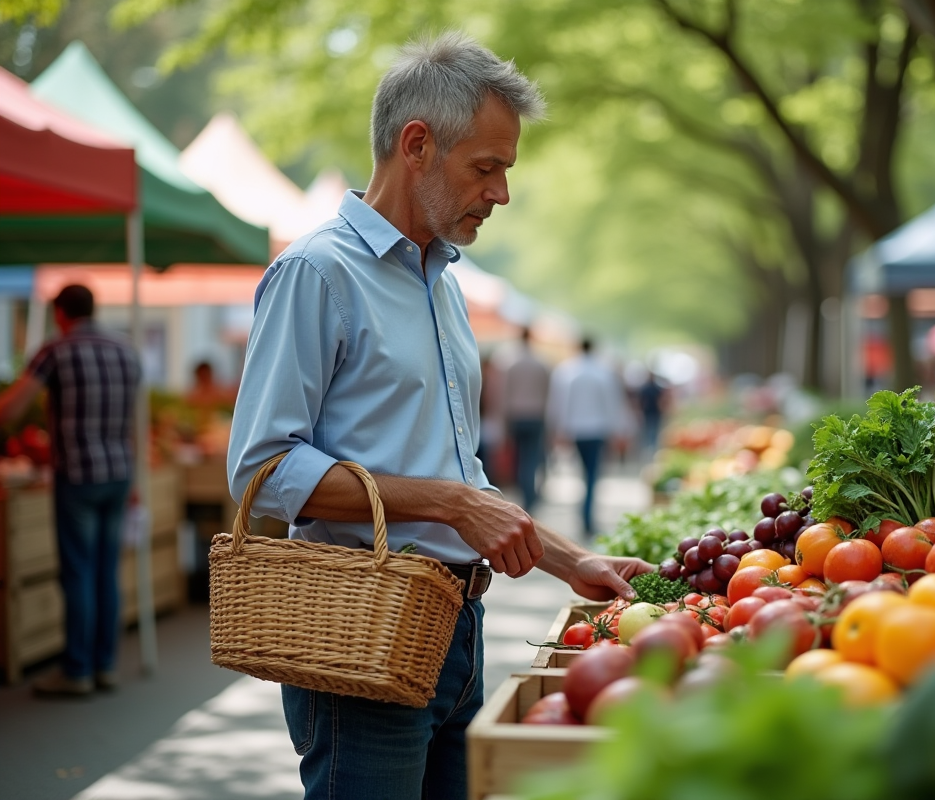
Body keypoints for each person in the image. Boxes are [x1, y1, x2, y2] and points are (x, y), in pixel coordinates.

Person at [225, 33, 651, 800]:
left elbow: (463, 479)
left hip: (455, 629)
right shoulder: (316, 273)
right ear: (416, 144)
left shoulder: (444, 284)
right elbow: (263, 468)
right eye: (486, 168)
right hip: (362, 628)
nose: (501, 194)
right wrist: (447, 502)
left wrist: (570, 561)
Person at [0, 285, 141, 697]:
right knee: (105, 571)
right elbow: (135, 419)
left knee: (78, 572)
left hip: (78, 475)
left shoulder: (55, 350)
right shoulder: (125, 350)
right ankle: (106, 665)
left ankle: (77, 670)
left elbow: (13, 408)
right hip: (119, 474)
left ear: (61, 313)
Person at [547, 337, 631, 536]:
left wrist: (559, 428)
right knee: (592, 474)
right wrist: (618, 430)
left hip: (576, 429)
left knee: (583, 472)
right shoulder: (603, 372)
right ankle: (587, 516)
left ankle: (584, 514)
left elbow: (559, 403)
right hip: (597, 429)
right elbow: (612, 403)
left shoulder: (567, 371)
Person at [501, 326, 550, 509]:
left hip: (515, 415)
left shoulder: (509, 362)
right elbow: (547, 392)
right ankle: (530, 496)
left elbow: (504, 394)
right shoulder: (541, 362)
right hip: (535, 415)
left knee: (520, 459)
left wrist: (503, 421)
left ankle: (525, 494)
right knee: (531, 458)